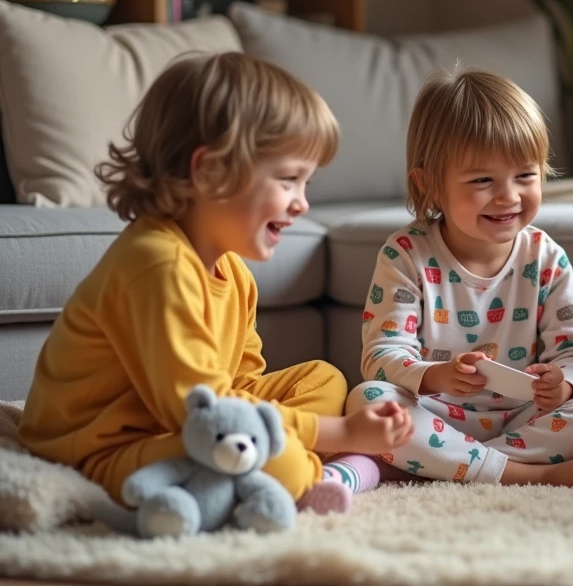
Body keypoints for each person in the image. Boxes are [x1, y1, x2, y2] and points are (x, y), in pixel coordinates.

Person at [18, 52, 412, 516]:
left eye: (306, 184)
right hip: (101, 448)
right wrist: (339, 433)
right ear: (210, 171)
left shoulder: (233, 272)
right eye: (289, 180)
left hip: (188, 423)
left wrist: (294, 427)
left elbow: (240, 384)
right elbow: (202, 415)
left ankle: (294, 468)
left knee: (322, 378)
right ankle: (310, 475)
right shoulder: (158, 265)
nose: (302, 203)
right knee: (271, 457)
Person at [331, 68, 573, 490]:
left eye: (525, 175)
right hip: (433, 411)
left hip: (521, 418)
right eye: (482, 180)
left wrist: (565, 385)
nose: (509, 196)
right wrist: (436, 376)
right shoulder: (405, 254)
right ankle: (523, 474)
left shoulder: (546, 256)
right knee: (369, 399)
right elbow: (382, 356)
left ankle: (437, 464)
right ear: (429, 184)